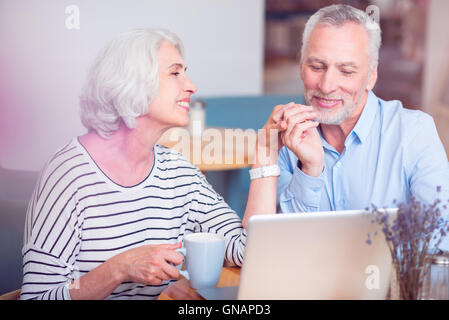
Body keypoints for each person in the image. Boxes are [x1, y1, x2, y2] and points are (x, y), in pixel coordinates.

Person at [20, 29, 261, 300]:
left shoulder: (178, 172)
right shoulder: (70, 174)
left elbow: (247, 250)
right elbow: (36, 297)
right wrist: (118, 269)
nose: (191, 86)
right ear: (132, 82)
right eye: (175, 73)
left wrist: (265, 156)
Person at [270, 4, 449, 214]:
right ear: (301, 68)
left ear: (371, 76)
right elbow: (283, 240)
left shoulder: (414, 133)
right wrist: (309, 172)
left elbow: (439, 236)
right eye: (317, 67)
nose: (326, 86)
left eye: (346, 71)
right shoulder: (285, 139)